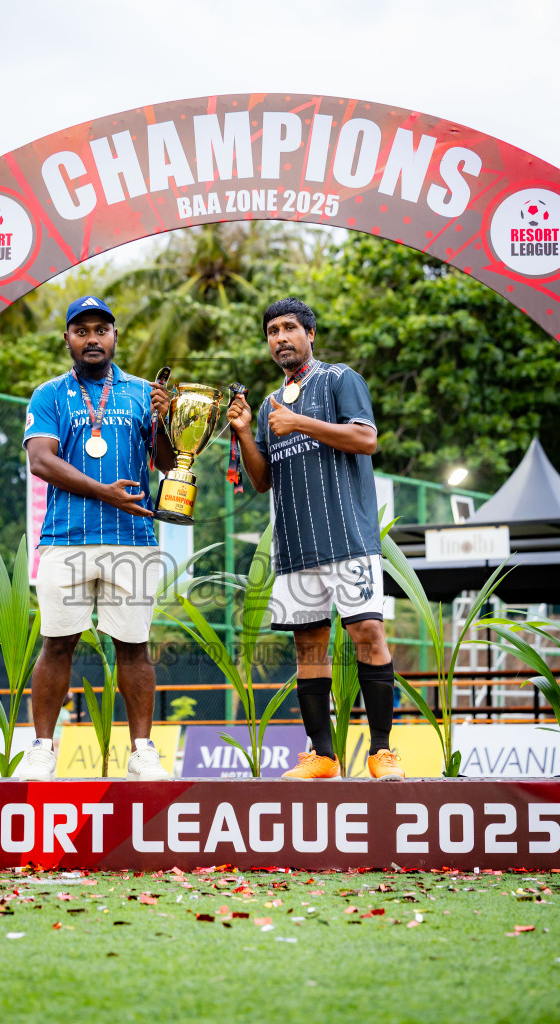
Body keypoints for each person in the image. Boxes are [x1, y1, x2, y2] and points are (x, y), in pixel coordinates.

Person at [227, 297, 404, 780]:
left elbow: (366, 439)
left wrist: (300, 421)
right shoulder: (266, 406)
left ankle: (382, 752)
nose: (280, 337)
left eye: (288, 328)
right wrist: (245, 432)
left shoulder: (340, 379)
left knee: (368, 635)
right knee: (309, 647)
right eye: (271, 331)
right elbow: (261, 480)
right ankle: (322, 755)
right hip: (295, 546)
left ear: (309, 334)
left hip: (349, 539)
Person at [19, 295, 176, 781]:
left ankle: (143, 751)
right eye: (81, 330)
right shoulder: (48, 394)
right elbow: (41, 460)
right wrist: (105, 493)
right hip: (66, 538)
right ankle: (43, 749)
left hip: (132, 538)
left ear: (114, 336)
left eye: (101, 330)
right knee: (57, 644)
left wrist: (168, 422)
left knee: (134, 647)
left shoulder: (142, 393)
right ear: (67, 338)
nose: (92, 339)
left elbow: (169, 463)